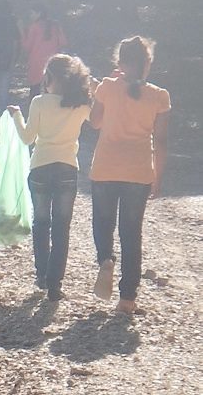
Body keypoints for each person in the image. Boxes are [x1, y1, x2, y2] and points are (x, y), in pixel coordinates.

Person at [89, 36, 170, 314]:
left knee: (102, 223)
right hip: (138, 170)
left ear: (120, 63)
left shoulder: (107, 88)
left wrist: (105, 87)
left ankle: (105, 260)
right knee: (131, 233)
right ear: (148, 63)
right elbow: (160, 141)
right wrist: (157, 176)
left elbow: (95, 122)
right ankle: (127, 299)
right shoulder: (159, 96)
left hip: (105, 167)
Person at [7, 54, 95, 301]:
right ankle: (56, 284)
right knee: (62, 227)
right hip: (67, 167)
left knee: (41, 222)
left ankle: (42, 274)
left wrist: (16, 115)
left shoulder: (39, 102)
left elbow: (27, 138)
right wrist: (95, 89)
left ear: (51, 77)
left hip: (41, 167)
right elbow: (98, 121)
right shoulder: (81, 104)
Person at [22, 4, 68, 101]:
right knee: (50, 91)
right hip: (52, 63)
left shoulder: (34, 27)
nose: (30, 16)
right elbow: (63, 42)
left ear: (39, 13)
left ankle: (34, 113)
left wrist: (22, 33)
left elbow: (27, 46)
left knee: (35, 91)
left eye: (32, 13)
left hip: (36, 62)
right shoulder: (55, 25)